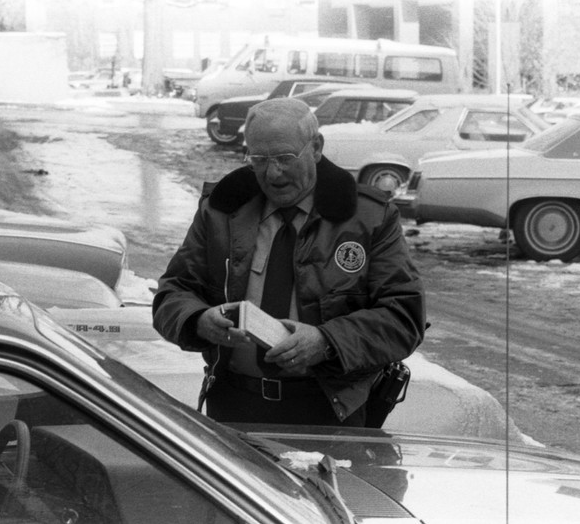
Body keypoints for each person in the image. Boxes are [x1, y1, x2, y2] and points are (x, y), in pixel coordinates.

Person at [152, 97, 426, 427]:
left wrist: (327, 342)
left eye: (285, 158)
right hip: (234, 406)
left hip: (329, 410)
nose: (273, 172)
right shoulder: (221, 212)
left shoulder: (368, 219)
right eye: (259, 159)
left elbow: (403, 317)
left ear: (316, 147)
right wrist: (198, 320)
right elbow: (172, 295)